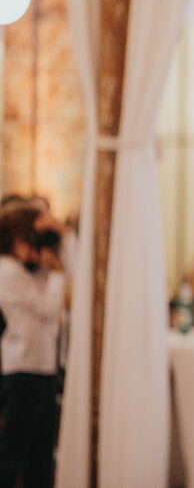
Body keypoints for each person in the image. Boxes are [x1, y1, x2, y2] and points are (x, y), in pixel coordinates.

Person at [0, 203, 67, 488]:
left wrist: (59, 236)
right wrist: (57, 273)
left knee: (41, 455)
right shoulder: (6, 270)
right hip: (22, 371)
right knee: (13, 452)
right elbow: (48, 309)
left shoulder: (36, 271)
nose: (32, 246)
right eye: (27, 238)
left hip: (44, 369)